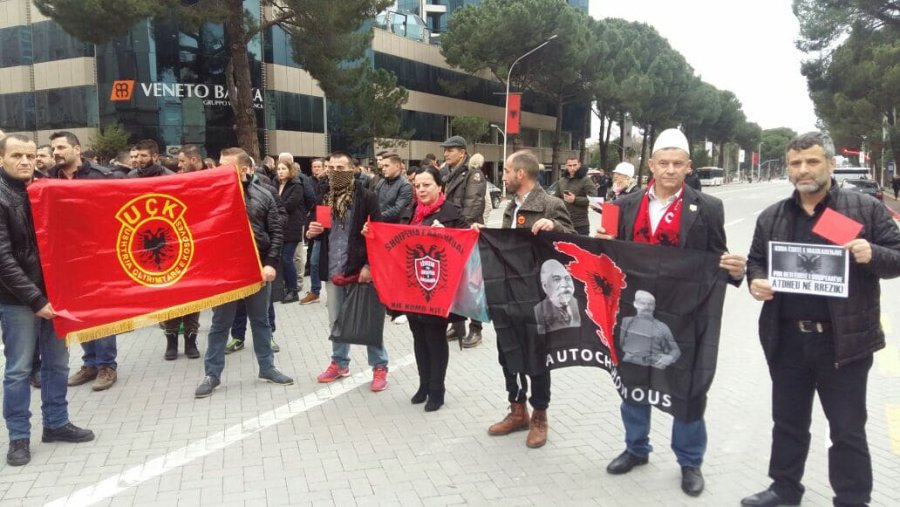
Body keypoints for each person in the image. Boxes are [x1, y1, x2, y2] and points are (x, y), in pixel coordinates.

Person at [740, 132, 900, 507]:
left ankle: (852, 498)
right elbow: (756, 260)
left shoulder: (862, 209)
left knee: (846, 429)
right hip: (788, 340)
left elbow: (897, 256)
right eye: (796, 163)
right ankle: (784, 488)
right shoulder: (773, 216)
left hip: (844, 342)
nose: (803, 170)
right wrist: (755, 281)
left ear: (830, 163)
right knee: (788, 422)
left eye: (812, 161)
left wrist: (871, 252)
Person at [595, 128, 746, 497]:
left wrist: (735, 271)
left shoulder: (708, 207)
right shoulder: (623, 205)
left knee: (687, 385)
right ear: (651, 164)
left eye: (678, 164)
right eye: (663, 163)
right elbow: (608, 257)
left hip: (685, 314)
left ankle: (690, 460)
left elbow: (716, 257)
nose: (670, 170)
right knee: (632, 379)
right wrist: (602, 245)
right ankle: (636, 448)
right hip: (635, 309)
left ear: (688, 166)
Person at [1, 134, 95, 466]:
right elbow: (3, 260)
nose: (25, 161)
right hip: (18, 301)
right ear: (2, 159)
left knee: (57, 365)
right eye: (16, 156)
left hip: (57, 295)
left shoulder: (47, 188)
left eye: (30, 155)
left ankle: (56, 423)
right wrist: (36, 299)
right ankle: (18, 437)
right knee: (18, 370)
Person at [479, 149, 574, 449]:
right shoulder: (509, 206)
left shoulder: (550, 204)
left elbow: (572, 240)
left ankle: (540, 417)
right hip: (506, 293)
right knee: (507, 353)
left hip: (534, 296)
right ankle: (517, 410)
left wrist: (554, 227)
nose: (503, 176)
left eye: (506, 171)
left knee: (537, 358)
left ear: (520, 174)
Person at [194, 148, 293, 398]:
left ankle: (267, 368)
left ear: (245, 169)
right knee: (220, 324)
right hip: (224, 273)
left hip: (257, 270)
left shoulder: (264, 194)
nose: (219, 171)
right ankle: (212, 374)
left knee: (261, 321)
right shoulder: (209, 197)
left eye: (226, 166)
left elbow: (276, 232)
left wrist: (270, 263)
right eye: (219, 165)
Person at [307, 151, 388, 392]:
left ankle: (380, 367)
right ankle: (340, 363)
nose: (335, 172)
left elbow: (379, 233)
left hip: (360, 271)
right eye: (331, 167)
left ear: (353, 170)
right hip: (333, 269)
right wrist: (310, 232)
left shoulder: (367, 197)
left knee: (368, 321)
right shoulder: (324, 195)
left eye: (341, 168)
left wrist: (369, 267)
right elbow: (319, 229)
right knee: (337, 321)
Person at [48, 131, 121, 392]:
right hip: (67, 259)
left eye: (61, 147)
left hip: (99, 257)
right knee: (80, 314)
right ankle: (90, 362)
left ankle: (107, 366)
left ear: (77, 149)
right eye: (53, 148)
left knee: (102, 312)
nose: (56, 152)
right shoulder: (48, 180)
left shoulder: (101, 176)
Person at [402, 165, 468, 411]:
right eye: (417, 185)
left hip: (437, 287)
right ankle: (423, 385)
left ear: (439, 186)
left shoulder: (451, 212)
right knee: (418, 335)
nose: (421, 189)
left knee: (434, 337)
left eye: (426, 184)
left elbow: (466, 242)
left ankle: (437, 390)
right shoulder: (411, 212)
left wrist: (448, 234)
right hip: (412, 287)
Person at [440, 136, 487, 348]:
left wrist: (459, 231)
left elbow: (473, 205)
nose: (446, 154)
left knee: (472, 282)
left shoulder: (473, 174)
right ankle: (457, 324)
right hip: (452, 234)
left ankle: (476, 328)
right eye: (445, 150)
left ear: (462, 152)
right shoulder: (450, 174)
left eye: (450, 150)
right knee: (454, 281)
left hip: (467, 234)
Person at [619, 290, 680, 369]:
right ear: (635, 304)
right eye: (642, 303)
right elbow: (618, 345)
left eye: (650, 304)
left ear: (654, 307)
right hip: (626, 367)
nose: (646, 307)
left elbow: (676, 350)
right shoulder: (626, 322)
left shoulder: (662, 327)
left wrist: (670, 358)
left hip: (653, 368)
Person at [275, 160, 306, 304]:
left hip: (292, 226)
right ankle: (288, 287)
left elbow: (289, 205)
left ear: (290, 170)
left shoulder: (296, 185)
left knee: (287, 258)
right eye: (279, 169)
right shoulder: (276, 184)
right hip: (280, 226)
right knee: (283, 258)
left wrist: (275, 207)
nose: (280, 171)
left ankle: (293, 291)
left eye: (283, 169)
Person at [300, 158, 328, 305]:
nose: (319, 169)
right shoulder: (311, 182)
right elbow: (314, 202)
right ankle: (315, 291)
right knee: (314, 261)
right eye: (315, 167)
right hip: (318, 225)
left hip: (333, 230)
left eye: (321, 167)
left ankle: (333, 295)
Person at [533, 259, 581, 334]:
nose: (565, 284)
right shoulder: (539, 310)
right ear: (545, 286)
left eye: (567, 278)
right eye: (557, 279)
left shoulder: (582, 304)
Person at [554, 157, 598, 235]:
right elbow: (556, 200)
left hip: (580, 223)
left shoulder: (586, 180)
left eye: (575, 165)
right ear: (566, 166)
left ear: (579, 165)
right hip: (564, 222)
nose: (572, 168)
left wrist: (575, 199)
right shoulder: (561, 181)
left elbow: (594, 200)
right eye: (570, 165)